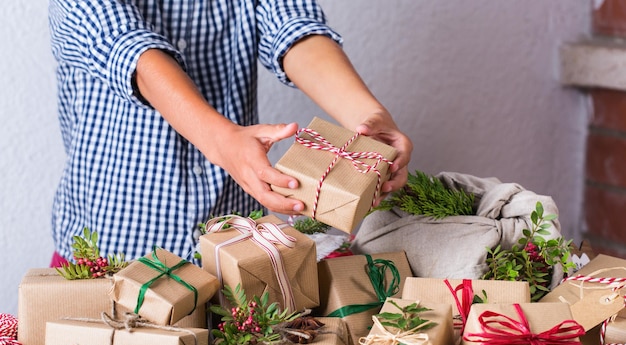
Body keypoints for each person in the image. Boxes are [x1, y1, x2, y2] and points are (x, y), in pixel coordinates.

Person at [48, 0, 413, 266]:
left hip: (234, 256)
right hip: (108, 255)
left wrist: (367, 116)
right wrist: (224, 143)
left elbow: (293, 27)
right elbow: (133, 55)